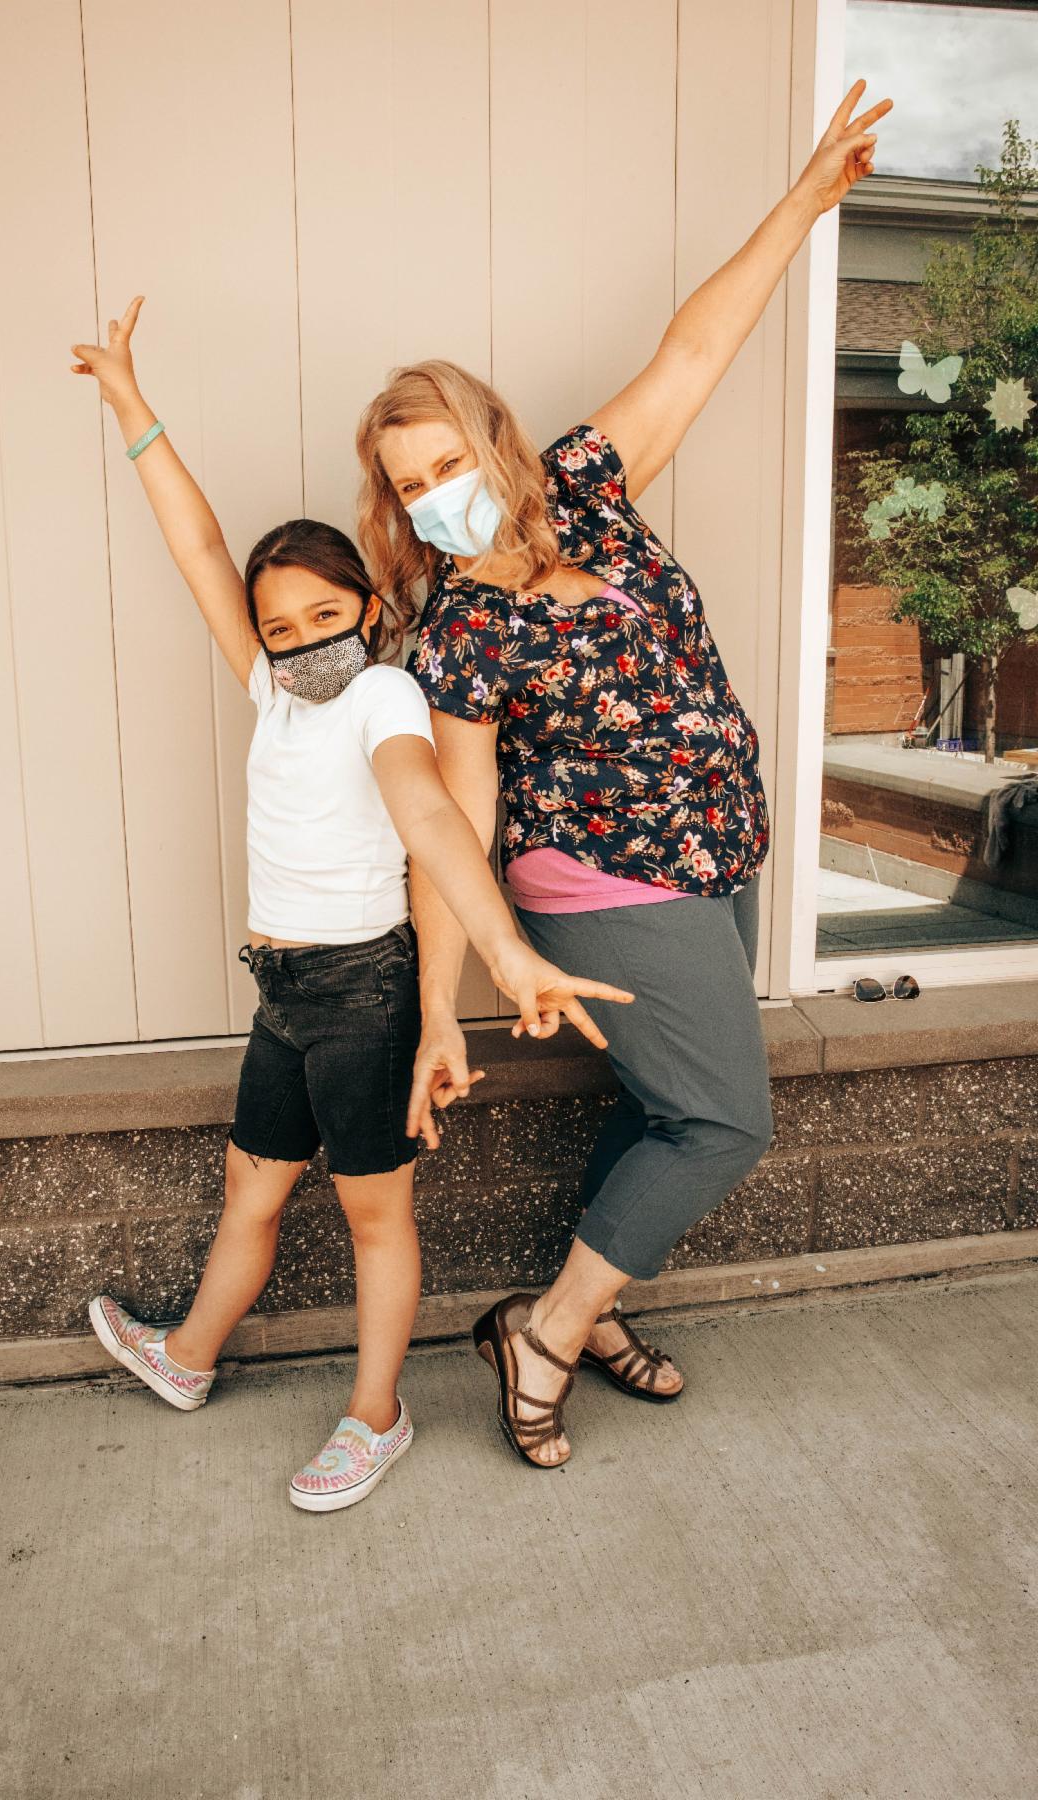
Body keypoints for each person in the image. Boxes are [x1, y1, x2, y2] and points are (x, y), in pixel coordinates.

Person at [355, 80, 890, 1468]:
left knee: (667, 1105)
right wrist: (441, 1007)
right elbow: (453, 826)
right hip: (602, 885)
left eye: (447, 461)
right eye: (408, 485)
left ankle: (584, 1313)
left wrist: (805, 200)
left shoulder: (590, 489)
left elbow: (697, 344)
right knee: (722, 1122)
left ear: (496, 440)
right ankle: (543, 1329)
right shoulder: (461, 633)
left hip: (719, 851)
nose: (433, 495)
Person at [68, 299, 631, 1511]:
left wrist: (503, 953)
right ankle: (187, 1356)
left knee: (377, 1218)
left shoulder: (384, 698)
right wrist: (130, 405)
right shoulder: (275, 692)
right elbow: (199, 549)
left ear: (368, 611)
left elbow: (429, 816)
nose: (302, 640)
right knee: (254, 1189)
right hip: (283, 992)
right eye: (281, 628)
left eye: (326, 616)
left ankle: (376, 1416)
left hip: (363, 996)